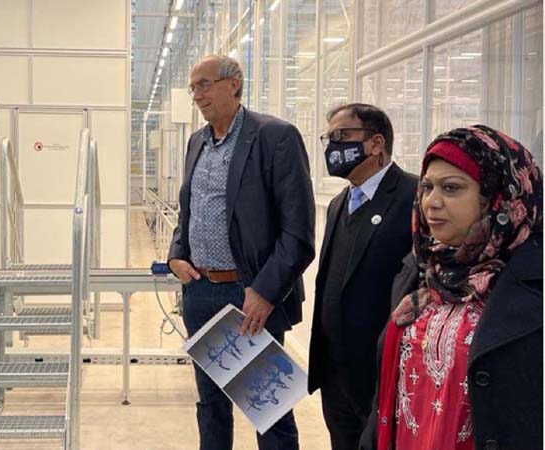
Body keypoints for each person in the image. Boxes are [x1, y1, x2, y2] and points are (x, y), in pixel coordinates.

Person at [360, 125, 543, 450]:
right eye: (427, 187)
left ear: (497, 196)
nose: (431, 202)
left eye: (451, 188)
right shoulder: (420, 270)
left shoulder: (533, 284)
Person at [167, 55, 315, 450]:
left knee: (269, 410)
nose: (197, 95)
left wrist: (265, 291)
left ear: (234, 84)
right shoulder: (197, 142)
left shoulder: (274, 137)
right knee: (210, 405)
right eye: (193, 87)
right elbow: (189, 210)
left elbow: (298, 231)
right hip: (200, 291)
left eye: (204, 84)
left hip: (248, 296)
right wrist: (177, 254)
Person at [307, 103, 418, 450]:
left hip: (380, 369)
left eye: (341, 136)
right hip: (335, 371)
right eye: (328, 138)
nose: (332, 146)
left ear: (375, 143)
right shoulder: (338, 203)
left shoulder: (413, 197)